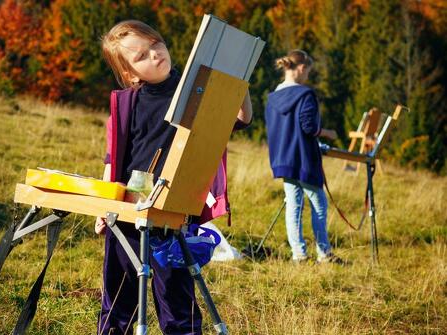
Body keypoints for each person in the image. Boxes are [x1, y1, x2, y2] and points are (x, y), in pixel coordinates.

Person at [96, 20, 252, 334]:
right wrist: (104, 206)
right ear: (130, 73)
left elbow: (241, 118)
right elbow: (114, 158)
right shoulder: (128, 103)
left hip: (176, 203)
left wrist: (238, 83)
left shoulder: (194, 88)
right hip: (130, 204)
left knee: (175, 294)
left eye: (155, 44)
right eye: (141, 56)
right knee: (119, 295)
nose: (154, 55)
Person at [264, 49, 343, 264]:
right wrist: (327, 132)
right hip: (303, 160)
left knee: (293, 205)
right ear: (301, 68)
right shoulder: (305, 95)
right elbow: (308, 126)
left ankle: (299, 255)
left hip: (282, 159)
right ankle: (324, 254)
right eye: (307, 71)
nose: (307, 75)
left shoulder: (272, 98)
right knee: (318, 203)